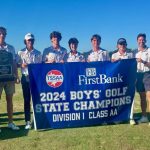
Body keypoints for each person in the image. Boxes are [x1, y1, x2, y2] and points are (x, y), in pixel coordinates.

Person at [17, 33, 42, 129]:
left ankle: (37, 119)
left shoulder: (38, 53)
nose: (30, 42)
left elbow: (40, 66)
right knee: (26, 100)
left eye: (31, 40)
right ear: (25, 42)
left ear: (33, 41)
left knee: (36, 100)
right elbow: (16, 64)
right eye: (28, 40)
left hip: (35, 79)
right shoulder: (20, 52)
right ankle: (28, 121)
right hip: (25, 77)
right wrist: (20, 65)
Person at [111, 38, 135, 125]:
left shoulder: (130, 54)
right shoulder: (113, 55)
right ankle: (119, 117)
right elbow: (111, 68)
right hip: (117, 80)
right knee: (118, 99)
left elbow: (133, 67)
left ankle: (131, 117)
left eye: (124, 44)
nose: (122, 46)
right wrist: (113, 62)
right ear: (117, 45)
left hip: (128, 79)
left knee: (130, 98)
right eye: (120, 44)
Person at [0, 27, 20, 132]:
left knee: (10, 101)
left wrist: (16, 76)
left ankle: (10, 123)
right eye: (0, 33)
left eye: (4, 34)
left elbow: (14, 63)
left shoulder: (11, 48)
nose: (2, 35)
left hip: (9, 78)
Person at [134, 33, 150, 124]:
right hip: (138, 76)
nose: (141, 41)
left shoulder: (149, 50)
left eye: (143, 39)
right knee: (142, 97)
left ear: (145, 40)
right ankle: (144, 116)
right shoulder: (135, 52)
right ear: (137, 41)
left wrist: (143, 61)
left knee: (149, 96)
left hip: (147, 74)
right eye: (139, 40)